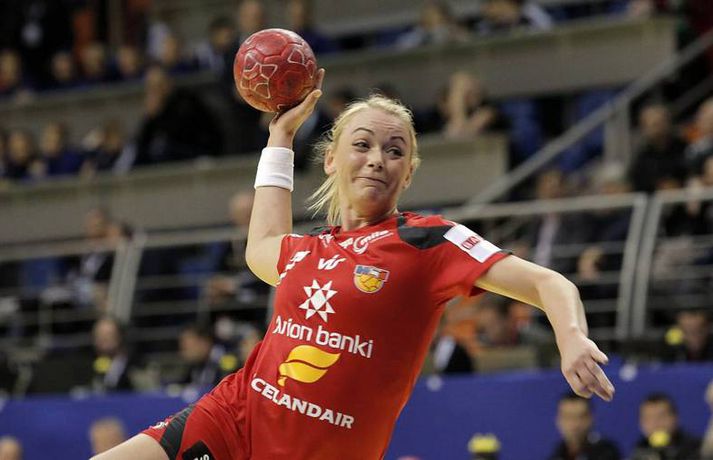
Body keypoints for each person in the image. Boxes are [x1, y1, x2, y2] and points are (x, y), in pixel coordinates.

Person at [93, 70, 614, 460]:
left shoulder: (428, 241)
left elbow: (548, 282)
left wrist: (571, 337)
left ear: (408, 173)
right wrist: (280, 138)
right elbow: (262, 247)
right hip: (233, 417)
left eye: (394, 151)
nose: (377, 159)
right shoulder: (309, 250)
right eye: (361, 145)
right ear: (331, 160)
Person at [548, 392, 620, 460]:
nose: (574, 425)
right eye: (568, 417)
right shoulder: (556, 455)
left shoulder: (606, 453)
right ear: (558, 420)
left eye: (580, 417)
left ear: (591, 418)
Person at [630, 393, 701, 460]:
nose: (655, 424)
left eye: (661, 416)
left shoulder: (696, 449)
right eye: (648, 418)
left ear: (675, 417)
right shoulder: (639, 449)